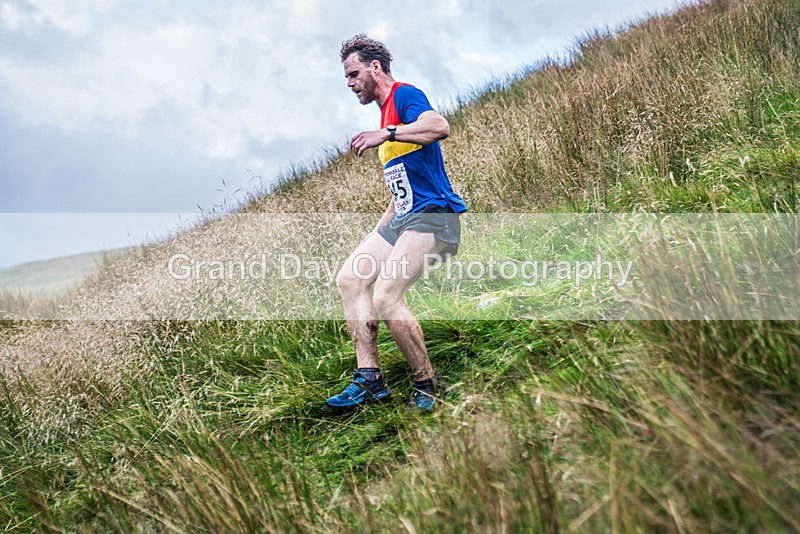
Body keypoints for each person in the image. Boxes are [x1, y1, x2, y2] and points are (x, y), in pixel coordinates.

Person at [326, 34, 468, 411]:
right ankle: (369, 379)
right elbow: (400, 190)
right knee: (350, 278)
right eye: (347, 77)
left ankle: (428, 385)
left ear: (375, 68)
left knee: (386, 296)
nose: (349, 83)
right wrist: (376, 234)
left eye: (354, 74)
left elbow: (439, 126)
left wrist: (386, 134)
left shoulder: (404, 96)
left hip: (433, 214)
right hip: (404, 216)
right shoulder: (384, 114)